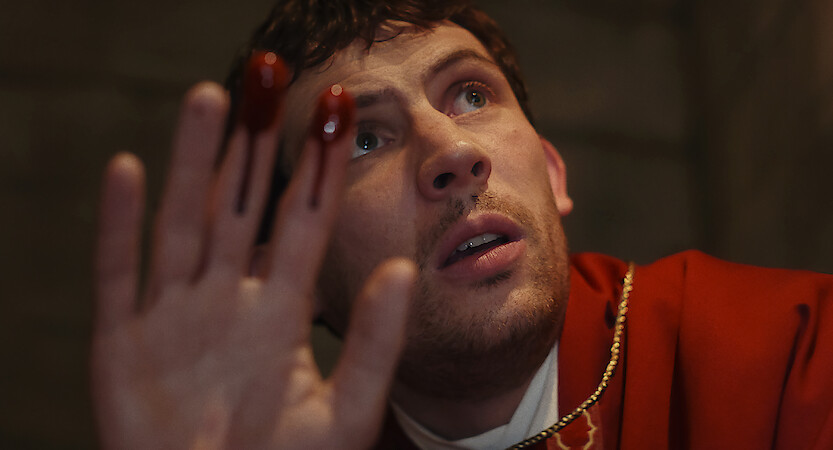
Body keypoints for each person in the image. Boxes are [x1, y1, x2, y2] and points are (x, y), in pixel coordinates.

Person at [91, 0, 833, 448]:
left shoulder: (788, 350)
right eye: (363, 140)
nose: (452, 153)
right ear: (291, 272)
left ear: (552, 172)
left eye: (472, 96)